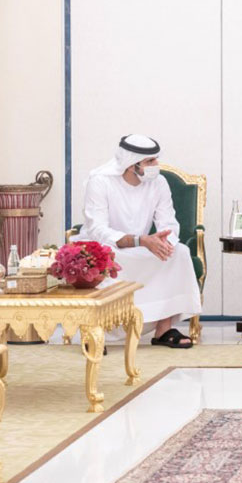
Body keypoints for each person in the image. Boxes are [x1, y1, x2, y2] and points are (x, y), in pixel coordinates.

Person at [80, 135, 201, 348]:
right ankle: (96, 331)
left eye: (156, 159)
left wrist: (164, 242)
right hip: (108, 246)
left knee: (178, 253)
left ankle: (164, 329)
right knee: (105, 258)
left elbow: (168, 223)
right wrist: (140, 241)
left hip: (143, 245)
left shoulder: (159, 182)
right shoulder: (100, 181)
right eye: (150, 161)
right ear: (131, 164)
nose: (156, 165)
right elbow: (98, 229)